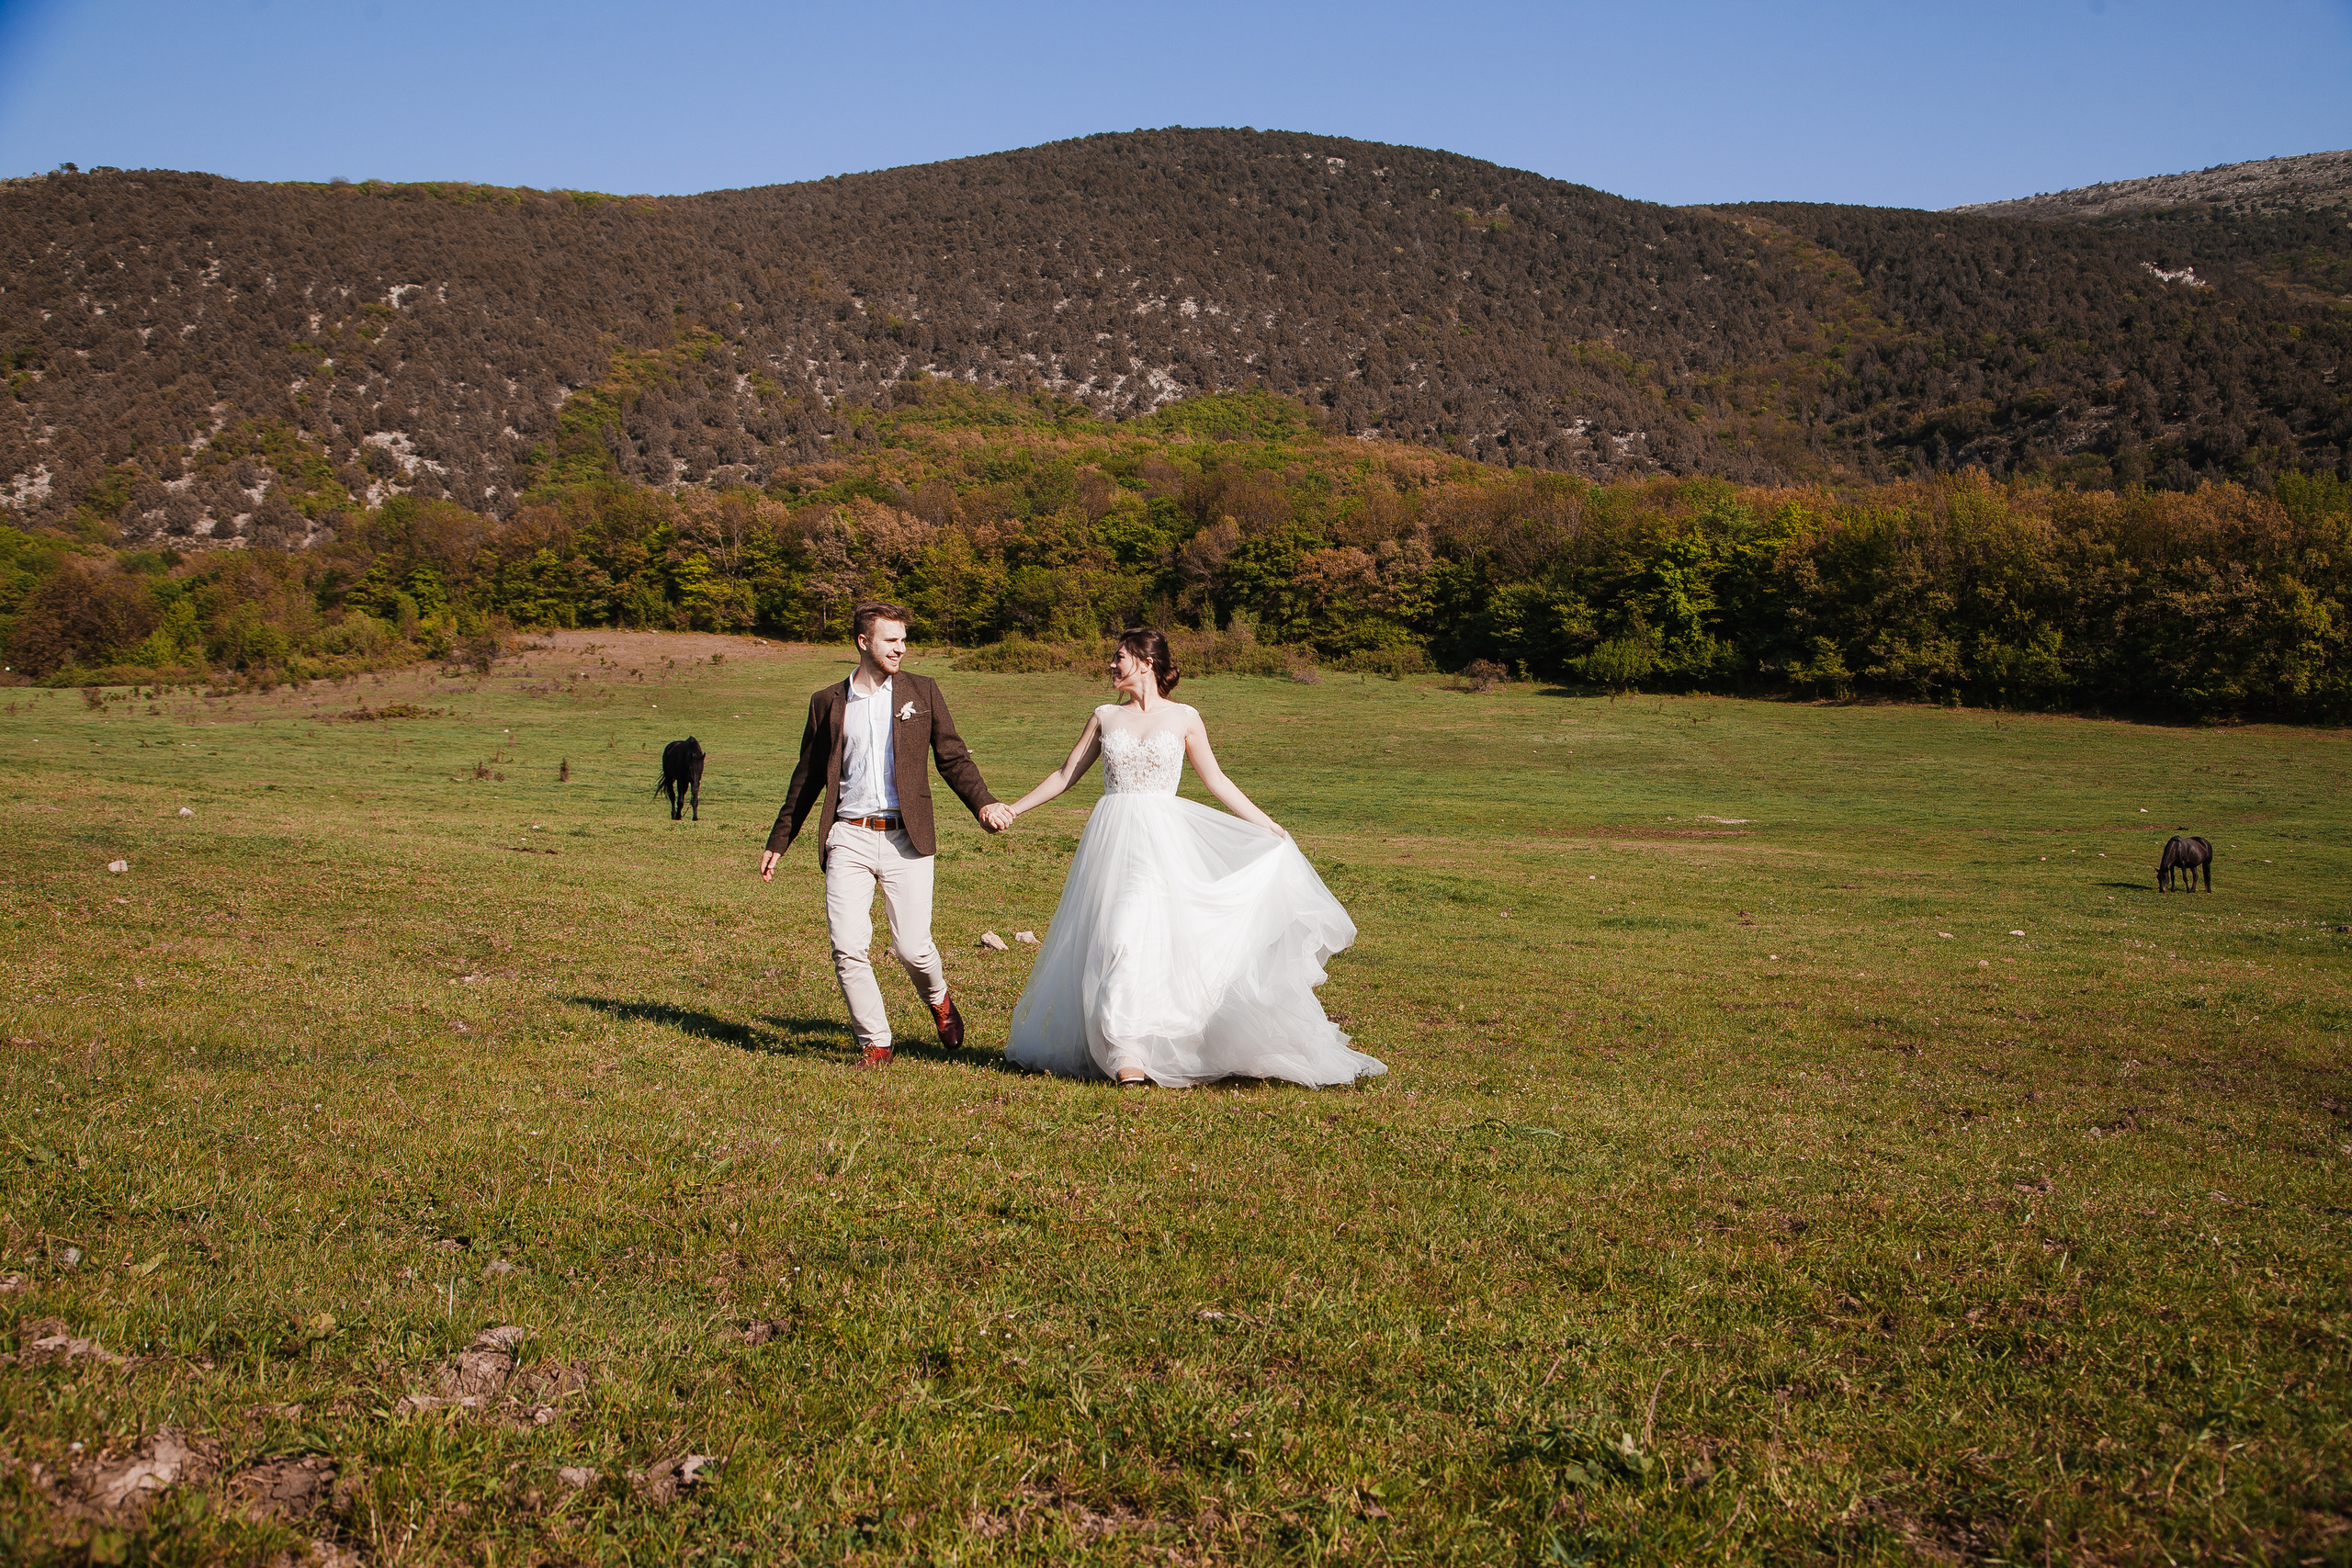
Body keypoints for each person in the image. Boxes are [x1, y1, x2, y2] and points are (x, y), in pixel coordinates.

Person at [998, 628, 1385, 1089]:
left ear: (1146, 662)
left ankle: (1134, 1048)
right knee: (1116, 937)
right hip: (1112, 844)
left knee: (1139, 939)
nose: (1111, 665)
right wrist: (1013, 809)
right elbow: (1065, 775)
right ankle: (1125, 1049)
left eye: (1119, 657)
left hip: (1163, 844)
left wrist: (1270, 826)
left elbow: (1217, 781)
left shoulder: (1185, 718)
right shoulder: (1104, 717)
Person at [760, 603, 1014, 1066]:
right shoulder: (827, 702)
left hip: (906, 837)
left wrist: (983, 803)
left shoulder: (923, 691)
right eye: (891, 640)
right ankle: (875, 1041)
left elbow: (953, 757)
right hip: (848, 835)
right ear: (864, 642)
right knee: (847, 946)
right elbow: (808, 776)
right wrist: (781, 839)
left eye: (903, 640)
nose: (901, 649)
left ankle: (937, 998)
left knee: (912, 948)